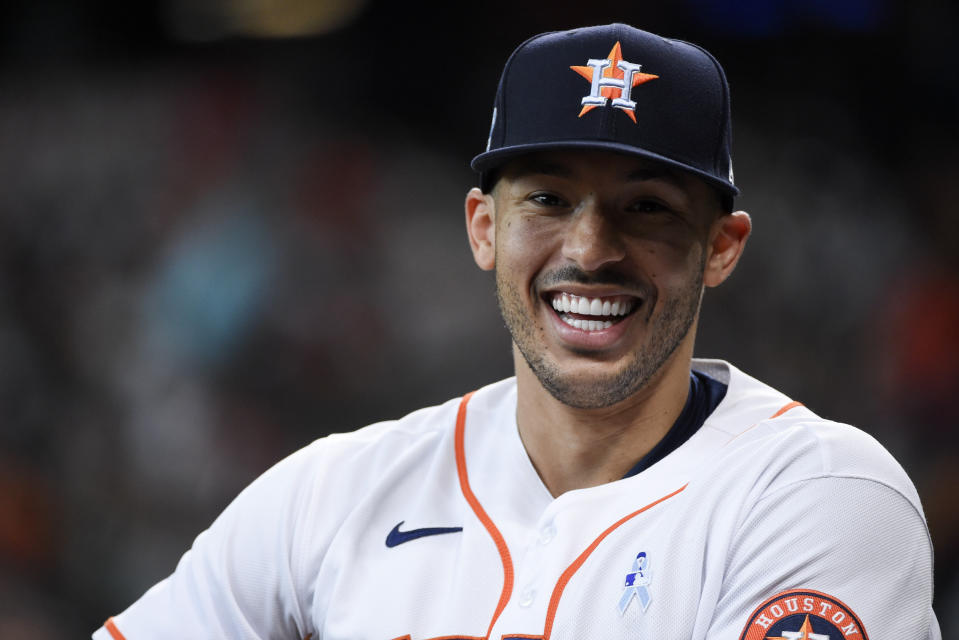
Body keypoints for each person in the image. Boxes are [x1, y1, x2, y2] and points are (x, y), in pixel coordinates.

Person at [93, 23, 940, 640]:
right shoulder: (332, 493)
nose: (589, 250)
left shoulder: (816, 496)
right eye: (546, 199)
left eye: (645, 208)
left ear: (720, 247)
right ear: (482, 228)